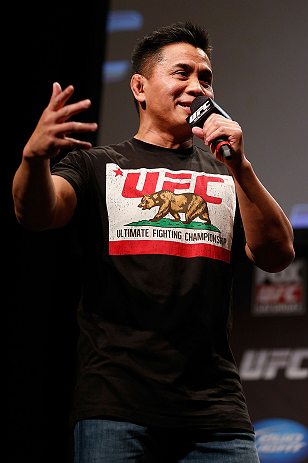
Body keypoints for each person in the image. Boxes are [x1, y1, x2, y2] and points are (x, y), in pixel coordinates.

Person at [13, 22, 294, 463]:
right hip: (116, 406)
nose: (198, 88)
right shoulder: (98, 166)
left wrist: (241, 166)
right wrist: (33, 159)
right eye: (182, 74)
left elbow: (277, 256)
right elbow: (37, 213)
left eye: (206, 78)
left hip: (216, 413)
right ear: (140, 87)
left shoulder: (226, 171)